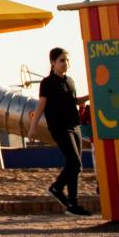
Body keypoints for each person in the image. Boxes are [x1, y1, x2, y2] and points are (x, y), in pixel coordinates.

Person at [33, 47, 92, 215]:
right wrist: (33, 126)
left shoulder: (70, 81)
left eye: (67, 60)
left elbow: (74, 101)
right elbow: (41, 105)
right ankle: (56, 188)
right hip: (59, 127)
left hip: (74, 126)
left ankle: (73, 204)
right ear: (53, 63)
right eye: (62, 60)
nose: (66, 63)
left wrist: (89, 96)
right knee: (75, 163)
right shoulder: (47, 83)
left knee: (75, 166)